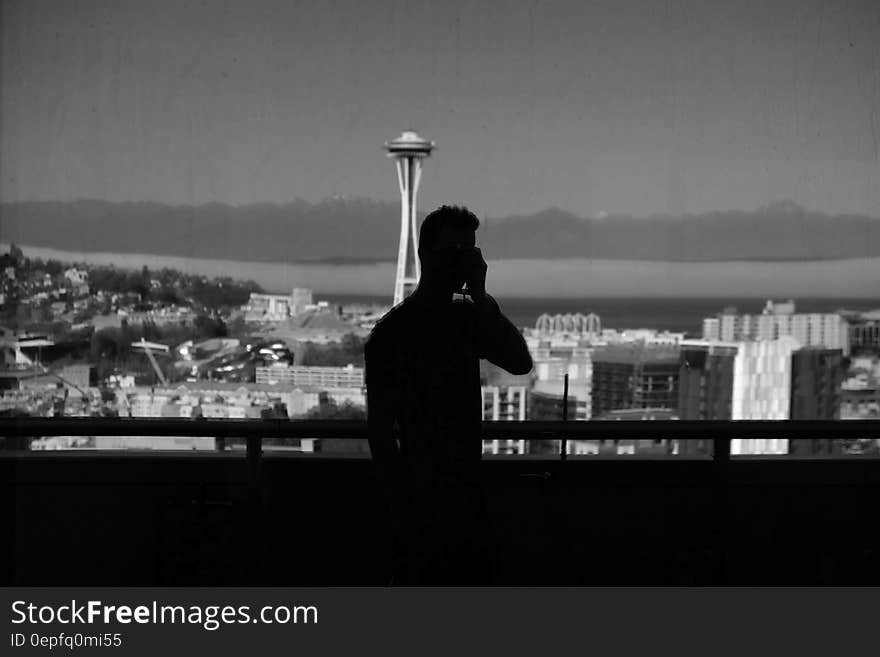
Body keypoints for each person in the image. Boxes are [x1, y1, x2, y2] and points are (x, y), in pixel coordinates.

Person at [365, 204, 533, 584]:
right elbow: (380, 428)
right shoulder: (397, 333)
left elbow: (520, 363)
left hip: (462, 493)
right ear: (426, 256)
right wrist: (402, 502)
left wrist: (481, 295)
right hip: (423, 496)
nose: (462, 262)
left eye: (469, 252)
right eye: (453, 252)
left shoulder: (459, 319)